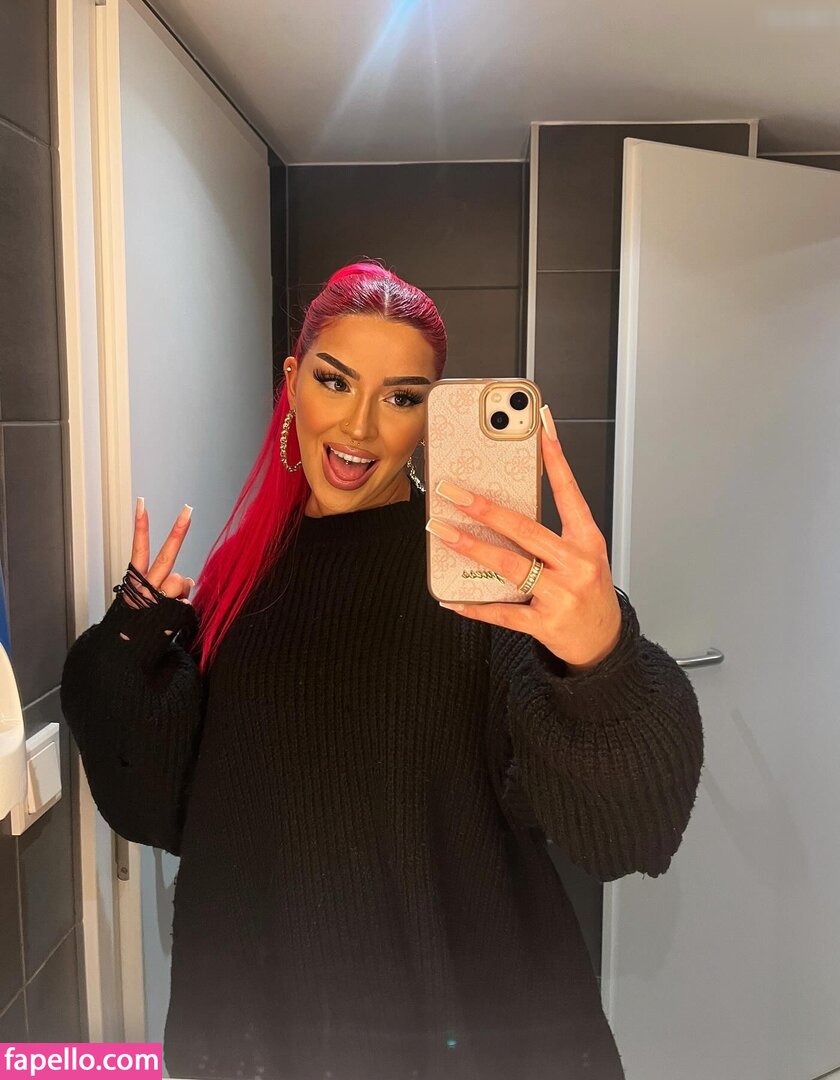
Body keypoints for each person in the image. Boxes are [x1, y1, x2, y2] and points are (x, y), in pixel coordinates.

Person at [60, 261, 704, 1080]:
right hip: (263, 1036)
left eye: (402, 398)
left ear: (430, 416)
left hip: (463, 1039)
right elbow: (160, 810)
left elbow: (630, 832)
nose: (360, 427)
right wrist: (127, 646)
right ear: (293, 380)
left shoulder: (483, 592)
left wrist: (601, 657)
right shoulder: (239, 580)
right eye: (334, 381)